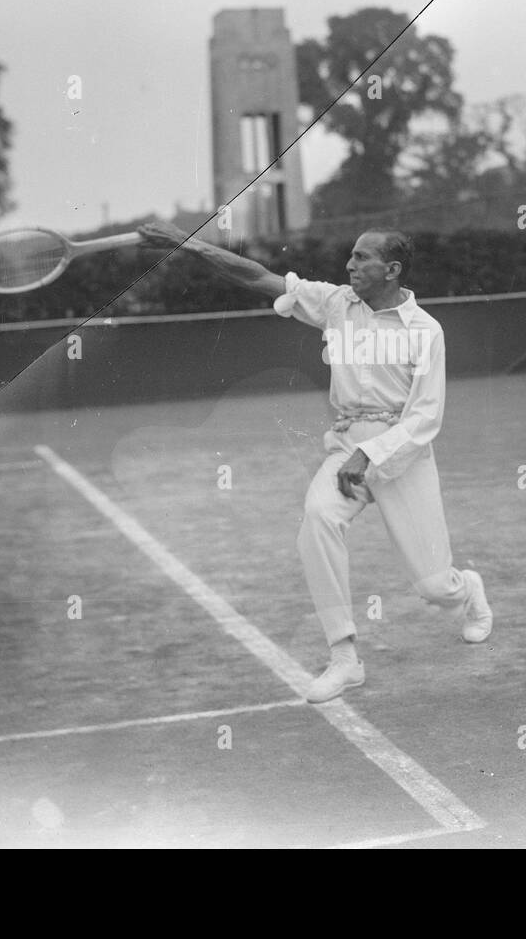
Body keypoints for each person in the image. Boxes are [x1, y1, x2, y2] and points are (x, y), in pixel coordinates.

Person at [137, 222, 493, 703]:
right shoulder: (335, 303)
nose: (350, 266)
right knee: (318, 520)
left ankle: (466, 590)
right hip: (347, 445)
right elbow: (258, 277)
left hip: (402, 454)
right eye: (351, 256)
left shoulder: (427, 332)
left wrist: (371, 454)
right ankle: (345, 659)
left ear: (392, 269)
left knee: (434, 587)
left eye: (363, 258)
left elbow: (426, 417)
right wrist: (189, 242)